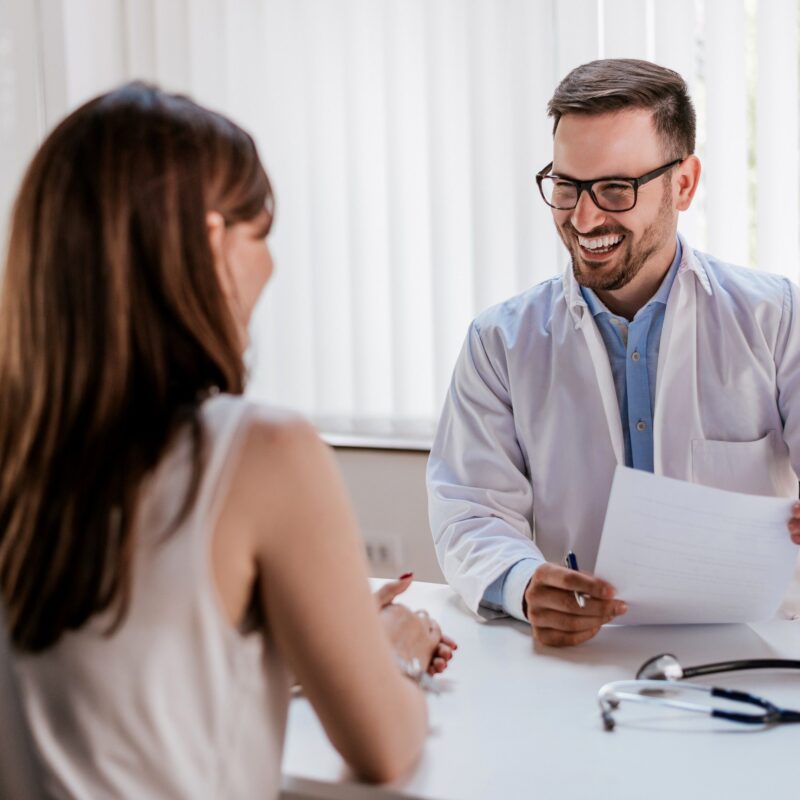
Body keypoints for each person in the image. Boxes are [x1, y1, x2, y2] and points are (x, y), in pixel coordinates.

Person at [0, 83, 455, 798]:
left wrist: (298, 641)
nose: (270, 267)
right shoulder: (261, 451)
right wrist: (387, 649)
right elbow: (386, 749)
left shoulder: (23, 449)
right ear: (211, 243)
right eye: (261, 234)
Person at [427, 58, 800, 647]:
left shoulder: (777, 317)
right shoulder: (499, 342)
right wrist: (522, 583)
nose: (584, 216)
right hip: (585, 661)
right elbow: (470, 510)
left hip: (755, 651)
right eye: (567, 185)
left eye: (615, 189)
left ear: (684, 184)